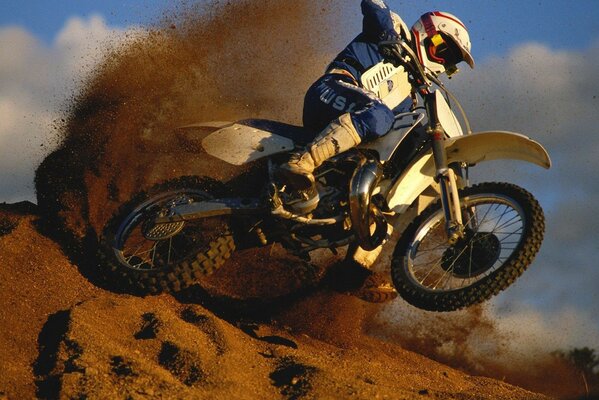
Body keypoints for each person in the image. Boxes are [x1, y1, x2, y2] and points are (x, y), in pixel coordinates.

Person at [279, 0, 475, 302]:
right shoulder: (393, 29)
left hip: (355, 136)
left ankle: (353, 271)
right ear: (427, 33)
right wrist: (387, 32)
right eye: (443, 49)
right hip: (334, 89)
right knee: (379, 114)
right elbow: (373, 4)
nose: (443, 62)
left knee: (387, 189)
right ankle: (301, 163)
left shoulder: (414, 94)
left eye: (451, 62)